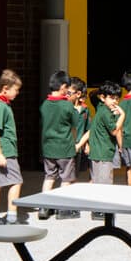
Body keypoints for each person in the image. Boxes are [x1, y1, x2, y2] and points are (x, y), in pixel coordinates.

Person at [38, 70, 79, 219]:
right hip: (65, 148)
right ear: (63, 87)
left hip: (48, 148)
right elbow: (75, 122)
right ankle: (63, 209)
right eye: (67, 87)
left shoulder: (44, 105)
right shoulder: (66, 106)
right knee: (66, 178)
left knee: (49, 177)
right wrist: (72, 103)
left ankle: (44, 207)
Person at [0, 69, 25, 224]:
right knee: (17, 181)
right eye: (16, 90)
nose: (17, 93)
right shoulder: (0, 107)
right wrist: (0, 154)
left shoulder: (0, 105)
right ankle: (11, 216)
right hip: (5, 152)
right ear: (5, 88)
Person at [86, 81, 125, 219]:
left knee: (98, 180)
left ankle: (98, 209)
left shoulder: (101, 109)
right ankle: (101, 210)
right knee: (104, 182)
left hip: (98, 151)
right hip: (103, 152)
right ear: (103, 97)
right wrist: (122, 115)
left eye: (117, 98)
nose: (115, 101)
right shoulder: (105, 112)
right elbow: (114, 130)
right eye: (112, 98)